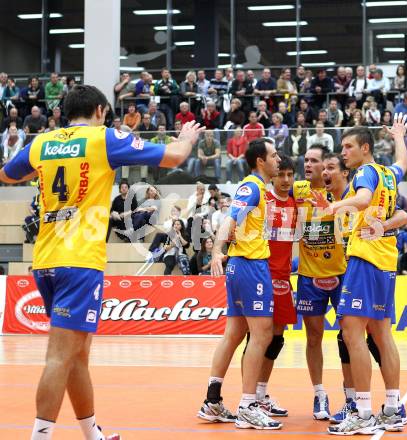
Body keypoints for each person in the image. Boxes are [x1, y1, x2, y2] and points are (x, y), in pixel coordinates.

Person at [0, 84, 203, 440]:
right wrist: (186, 137)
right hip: (79, 262)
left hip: (46, 259)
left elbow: (7, 174)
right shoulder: (102, 138)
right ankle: (39, 436)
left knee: (77, 355)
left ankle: (92, 434)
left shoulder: (41, 144)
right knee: (59, 356)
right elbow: (173, 157)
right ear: (98, 110)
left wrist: (44, 169)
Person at [317, 116, 407, 435]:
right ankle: (394, 408)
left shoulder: (366, 172)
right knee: (382, 335)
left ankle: (364, 412)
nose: (343, 152)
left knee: (352, 332)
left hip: (365, 258)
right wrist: (400, 135)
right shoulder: (389, 173)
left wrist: (335, 207)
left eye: (348, 147)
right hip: (386, 260)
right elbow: (402, 162)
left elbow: (363, 199)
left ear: (365, 148)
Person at [197, 139, 282, 430]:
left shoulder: (260, 189)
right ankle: (248, 405)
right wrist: (217, 249)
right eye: (273, 155)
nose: (278, 160)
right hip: (249, 266)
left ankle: (212, 400)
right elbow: (230, 218)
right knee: (263, 334)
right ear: (260, 160)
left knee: (233, 334)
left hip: (241, 266)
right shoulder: (252, 186)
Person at [242, 153, 297, 418]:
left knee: (276, 339)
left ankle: (261, 395)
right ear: (272, 174)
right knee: (255, 338)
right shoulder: (262, 198)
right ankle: (248, 398)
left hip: (283, 279)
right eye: (281, 174)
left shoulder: (299, 203)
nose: (286, 180)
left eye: (290, 175)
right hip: (260, 275)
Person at [292, 144, 344, 420]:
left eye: (314, 160)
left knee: (348, 337)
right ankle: (320, 394)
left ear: (326, 165)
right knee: (314, 337)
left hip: (341, 273)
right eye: (306, 160)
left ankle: (351, 396)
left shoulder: (335, 189)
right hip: (309, 277)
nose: (308, 164)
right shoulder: (298, 189)